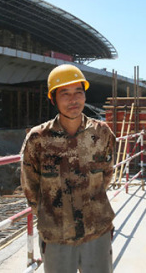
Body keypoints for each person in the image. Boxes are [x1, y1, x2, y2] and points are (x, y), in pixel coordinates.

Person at [20, 64, 116, 273]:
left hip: (96, 233)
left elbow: (107, 174)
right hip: (56, 238)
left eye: (78, 92)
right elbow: (31, 189)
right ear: (53, 98)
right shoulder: (38, 139)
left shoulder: (102, 133)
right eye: (65, 94)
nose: (73, 100)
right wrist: (53, 217)